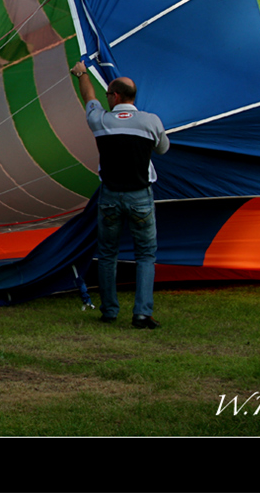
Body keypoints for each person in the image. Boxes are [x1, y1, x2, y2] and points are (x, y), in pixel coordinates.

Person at [70, 61, 169, 328]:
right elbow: (162, 149)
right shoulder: (151, 121)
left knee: (108, 253)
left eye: (108, 95)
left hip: (111, 196)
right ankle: (142, 314)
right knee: (146, 255)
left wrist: (81, 73)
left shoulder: (99, 119)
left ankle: (110, 311)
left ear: (114, 97)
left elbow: (88, 97)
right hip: (140, 197)